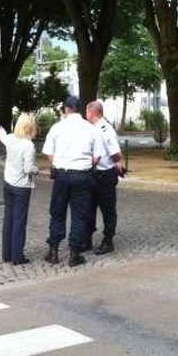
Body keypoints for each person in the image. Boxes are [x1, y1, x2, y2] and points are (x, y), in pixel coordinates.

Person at [42, 96, 103, 267]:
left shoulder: (57, 127)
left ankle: (53, 250)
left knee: (57, 212)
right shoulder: (91, 129)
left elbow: (48, 153)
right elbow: (97, 157)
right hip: (83, 175)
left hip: (61, 175)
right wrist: (84, 164)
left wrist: (58, 162)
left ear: (66, 109)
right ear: (80, 109)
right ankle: (74, 253)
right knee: (80, 214)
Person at [0, 113, 38, 265]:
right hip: (21, 187)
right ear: (30, 127)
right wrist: (36, 170)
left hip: (8, 183)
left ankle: (7, 254)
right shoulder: (29, 146)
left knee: (8, 218)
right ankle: (17, 256)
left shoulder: (10, 138)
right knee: (19, 221)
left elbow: (2, 137)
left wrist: (1, 130)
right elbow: (28, 168)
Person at [84, 101, 123, 255]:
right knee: (89, 208)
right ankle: (86, 239)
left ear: (91, 113)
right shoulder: (93, 128)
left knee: (107, 209)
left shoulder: (105, 129)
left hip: (105, 174)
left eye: (87, 112)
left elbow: (116, 153)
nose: (85, 115)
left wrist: (117, 164)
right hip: (93, 174)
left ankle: (108, 240)